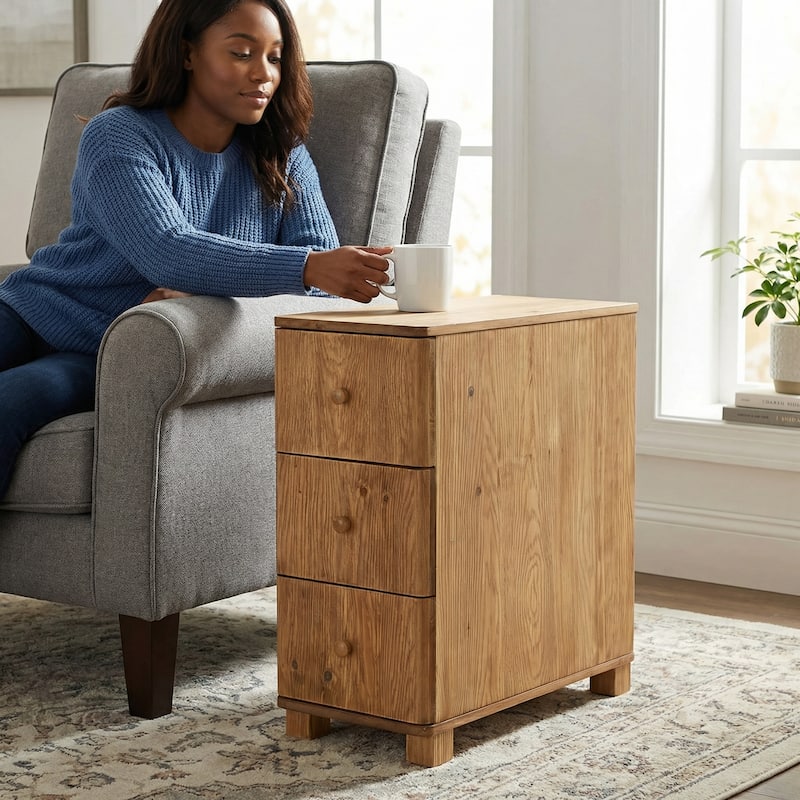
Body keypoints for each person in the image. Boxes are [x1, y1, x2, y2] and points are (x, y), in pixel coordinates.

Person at [0, 0, 392, 498]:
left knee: (9, 402)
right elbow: (166, 249)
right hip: (31, 311)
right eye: (242, 53)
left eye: (275, 57)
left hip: (113, 347)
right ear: (187, 54)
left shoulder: (284, 154)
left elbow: (319, 294)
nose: (263, 74)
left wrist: (204, 303)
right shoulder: (120, 134)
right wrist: (309, 267)